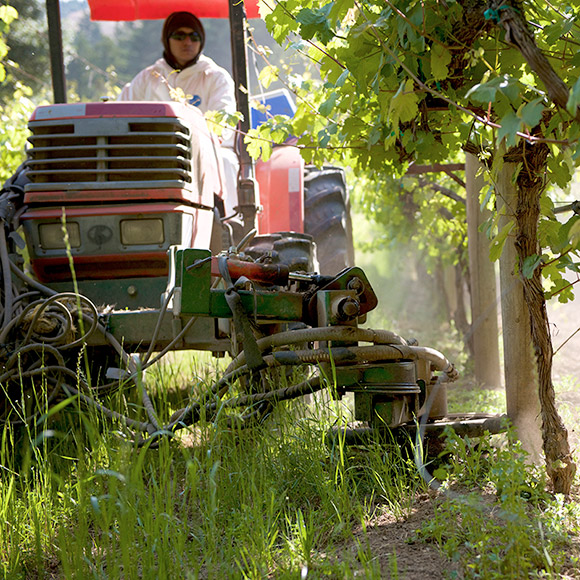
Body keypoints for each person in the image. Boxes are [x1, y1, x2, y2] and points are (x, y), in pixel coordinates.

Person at [119, 11, 239, 216]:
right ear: (167, 39)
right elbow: (121, 114)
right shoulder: (147, 79)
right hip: (153, 153)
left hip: (208, 153)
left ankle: (230, 226)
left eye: (194, 36)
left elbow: (224, 122)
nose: (187, 42)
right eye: (179, 35)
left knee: (226, 161)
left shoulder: (216, 78)